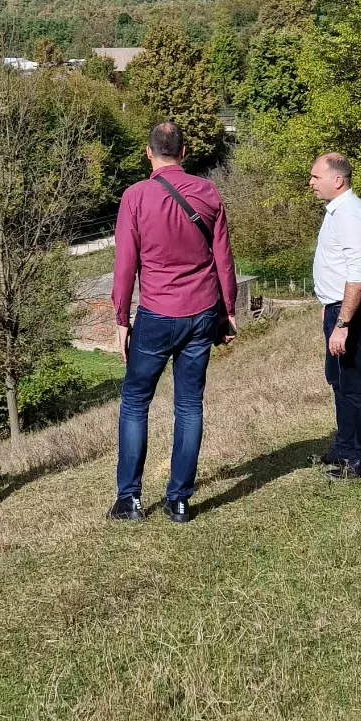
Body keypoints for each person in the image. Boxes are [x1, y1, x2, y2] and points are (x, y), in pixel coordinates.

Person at [109, 121, 238, 524]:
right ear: (184, 152)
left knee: (134, 404)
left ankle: (129, 500)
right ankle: (179, 500)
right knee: (188, 405)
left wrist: (120, 317)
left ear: (150, 153)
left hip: (157, 313)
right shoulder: (209, 193)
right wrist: (228, 309)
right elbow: (224, 257)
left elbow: (126, 263)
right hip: (201, 313)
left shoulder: (135, 197)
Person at [308, 152, 361, 478]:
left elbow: (357, 275)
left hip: (351, 311)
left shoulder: (350, 214)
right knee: (338, 380)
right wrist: (329, 305)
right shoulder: (337, 211)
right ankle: (345, 446)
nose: (310, 183)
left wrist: (343, 323)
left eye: (315, 177)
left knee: (354, 383)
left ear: (337, 180)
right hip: (338, 307)